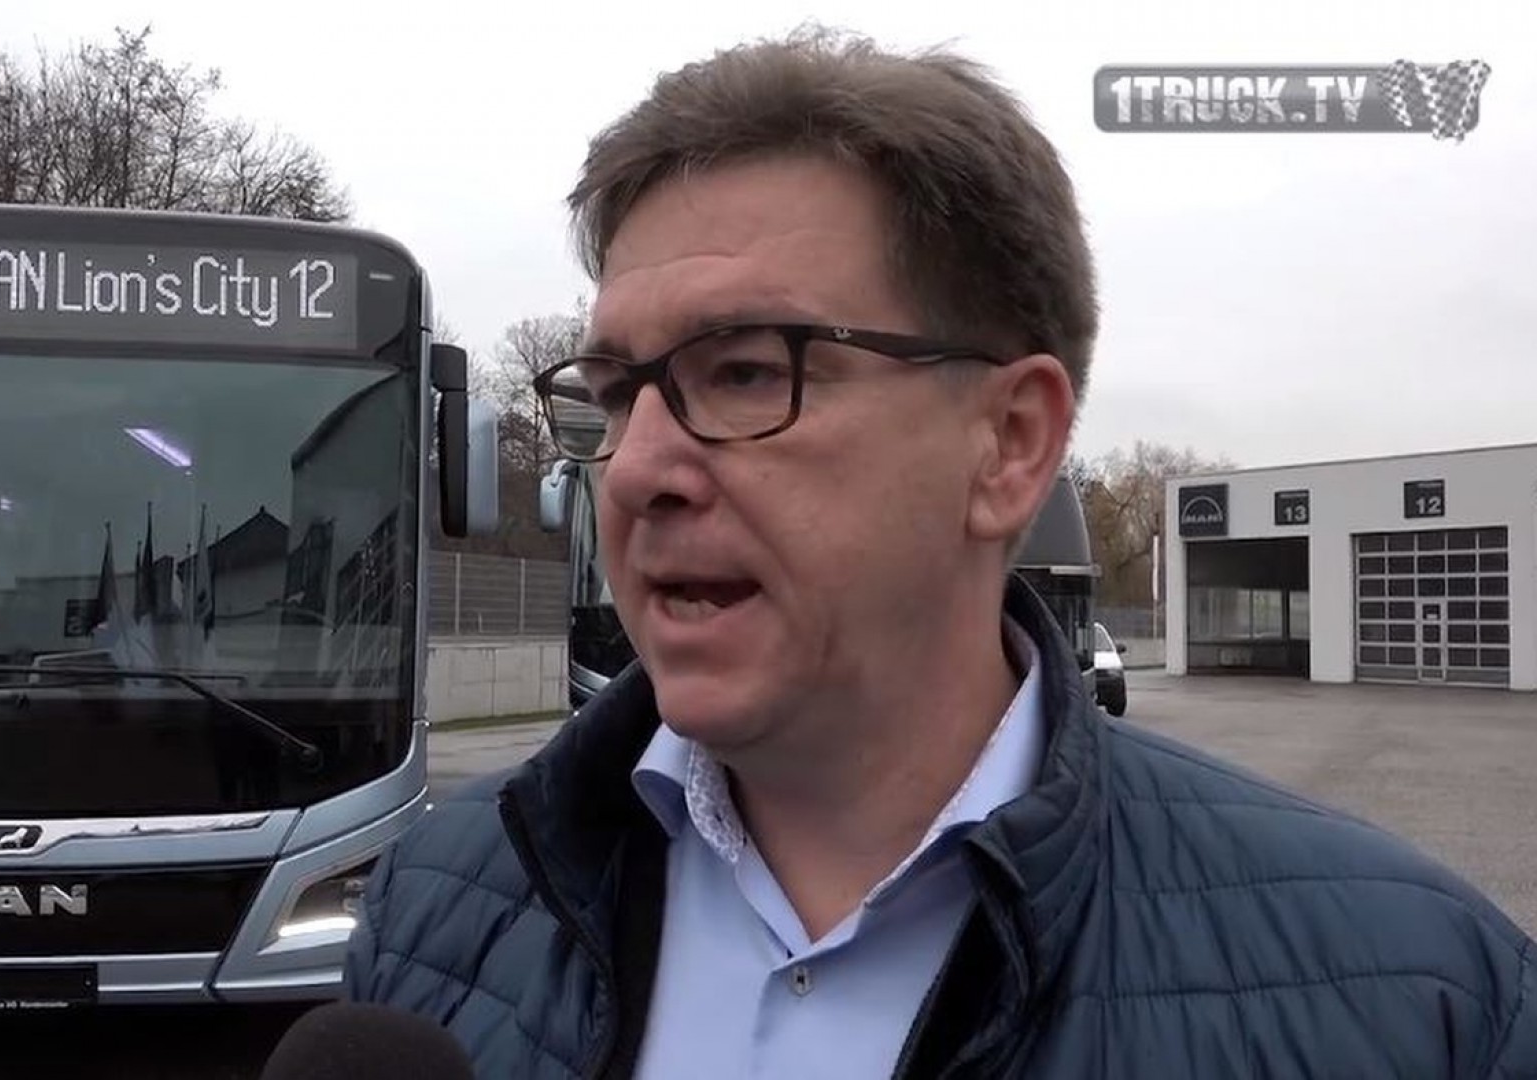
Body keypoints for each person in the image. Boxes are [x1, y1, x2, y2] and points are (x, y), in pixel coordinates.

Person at [343, 27, 1537, 1079]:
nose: (639, 467)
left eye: (747, 371)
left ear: (1009, 443)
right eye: (614, 392)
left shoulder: (1422, 1004)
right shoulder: (437, 909)